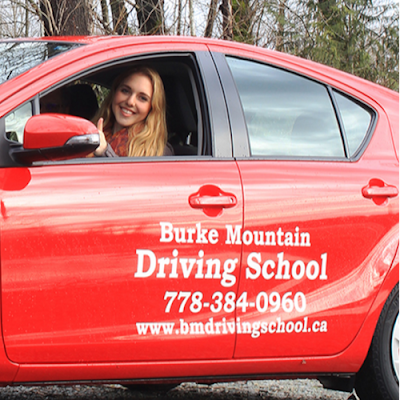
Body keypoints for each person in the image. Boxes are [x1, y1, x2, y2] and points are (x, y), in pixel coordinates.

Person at [93, 66, 172, 157]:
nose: (130, 102)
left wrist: (105, 152)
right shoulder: (90, 133)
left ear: (152, 108)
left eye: (142, 98)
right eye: (125, 91)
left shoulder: (158, 151)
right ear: (114, 92)